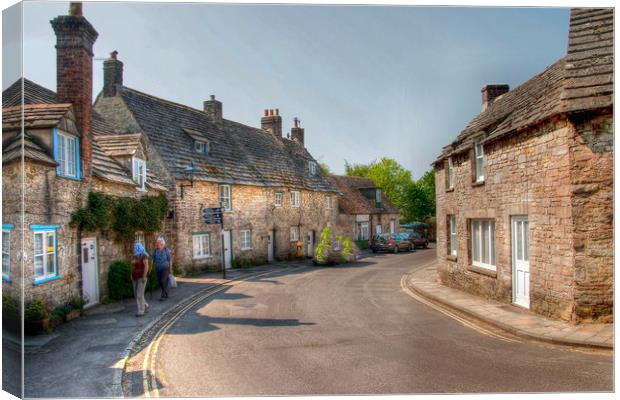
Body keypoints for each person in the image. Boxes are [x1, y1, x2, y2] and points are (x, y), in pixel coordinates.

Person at [131, 242, 150, 317]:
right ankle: (145, 305)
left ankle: (141, 310)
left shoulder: (144, 256)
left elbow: (146, 267)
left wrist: (144, 276)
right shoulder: (134, 256)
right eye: (134, 248)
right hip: (135, 277)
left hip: (141, 277)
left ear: (138, 248)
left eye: (135, 248)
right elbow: (132, 266)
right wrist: (131, 275)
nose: (134, 249)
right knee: (136, 294)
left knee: (139, 294)